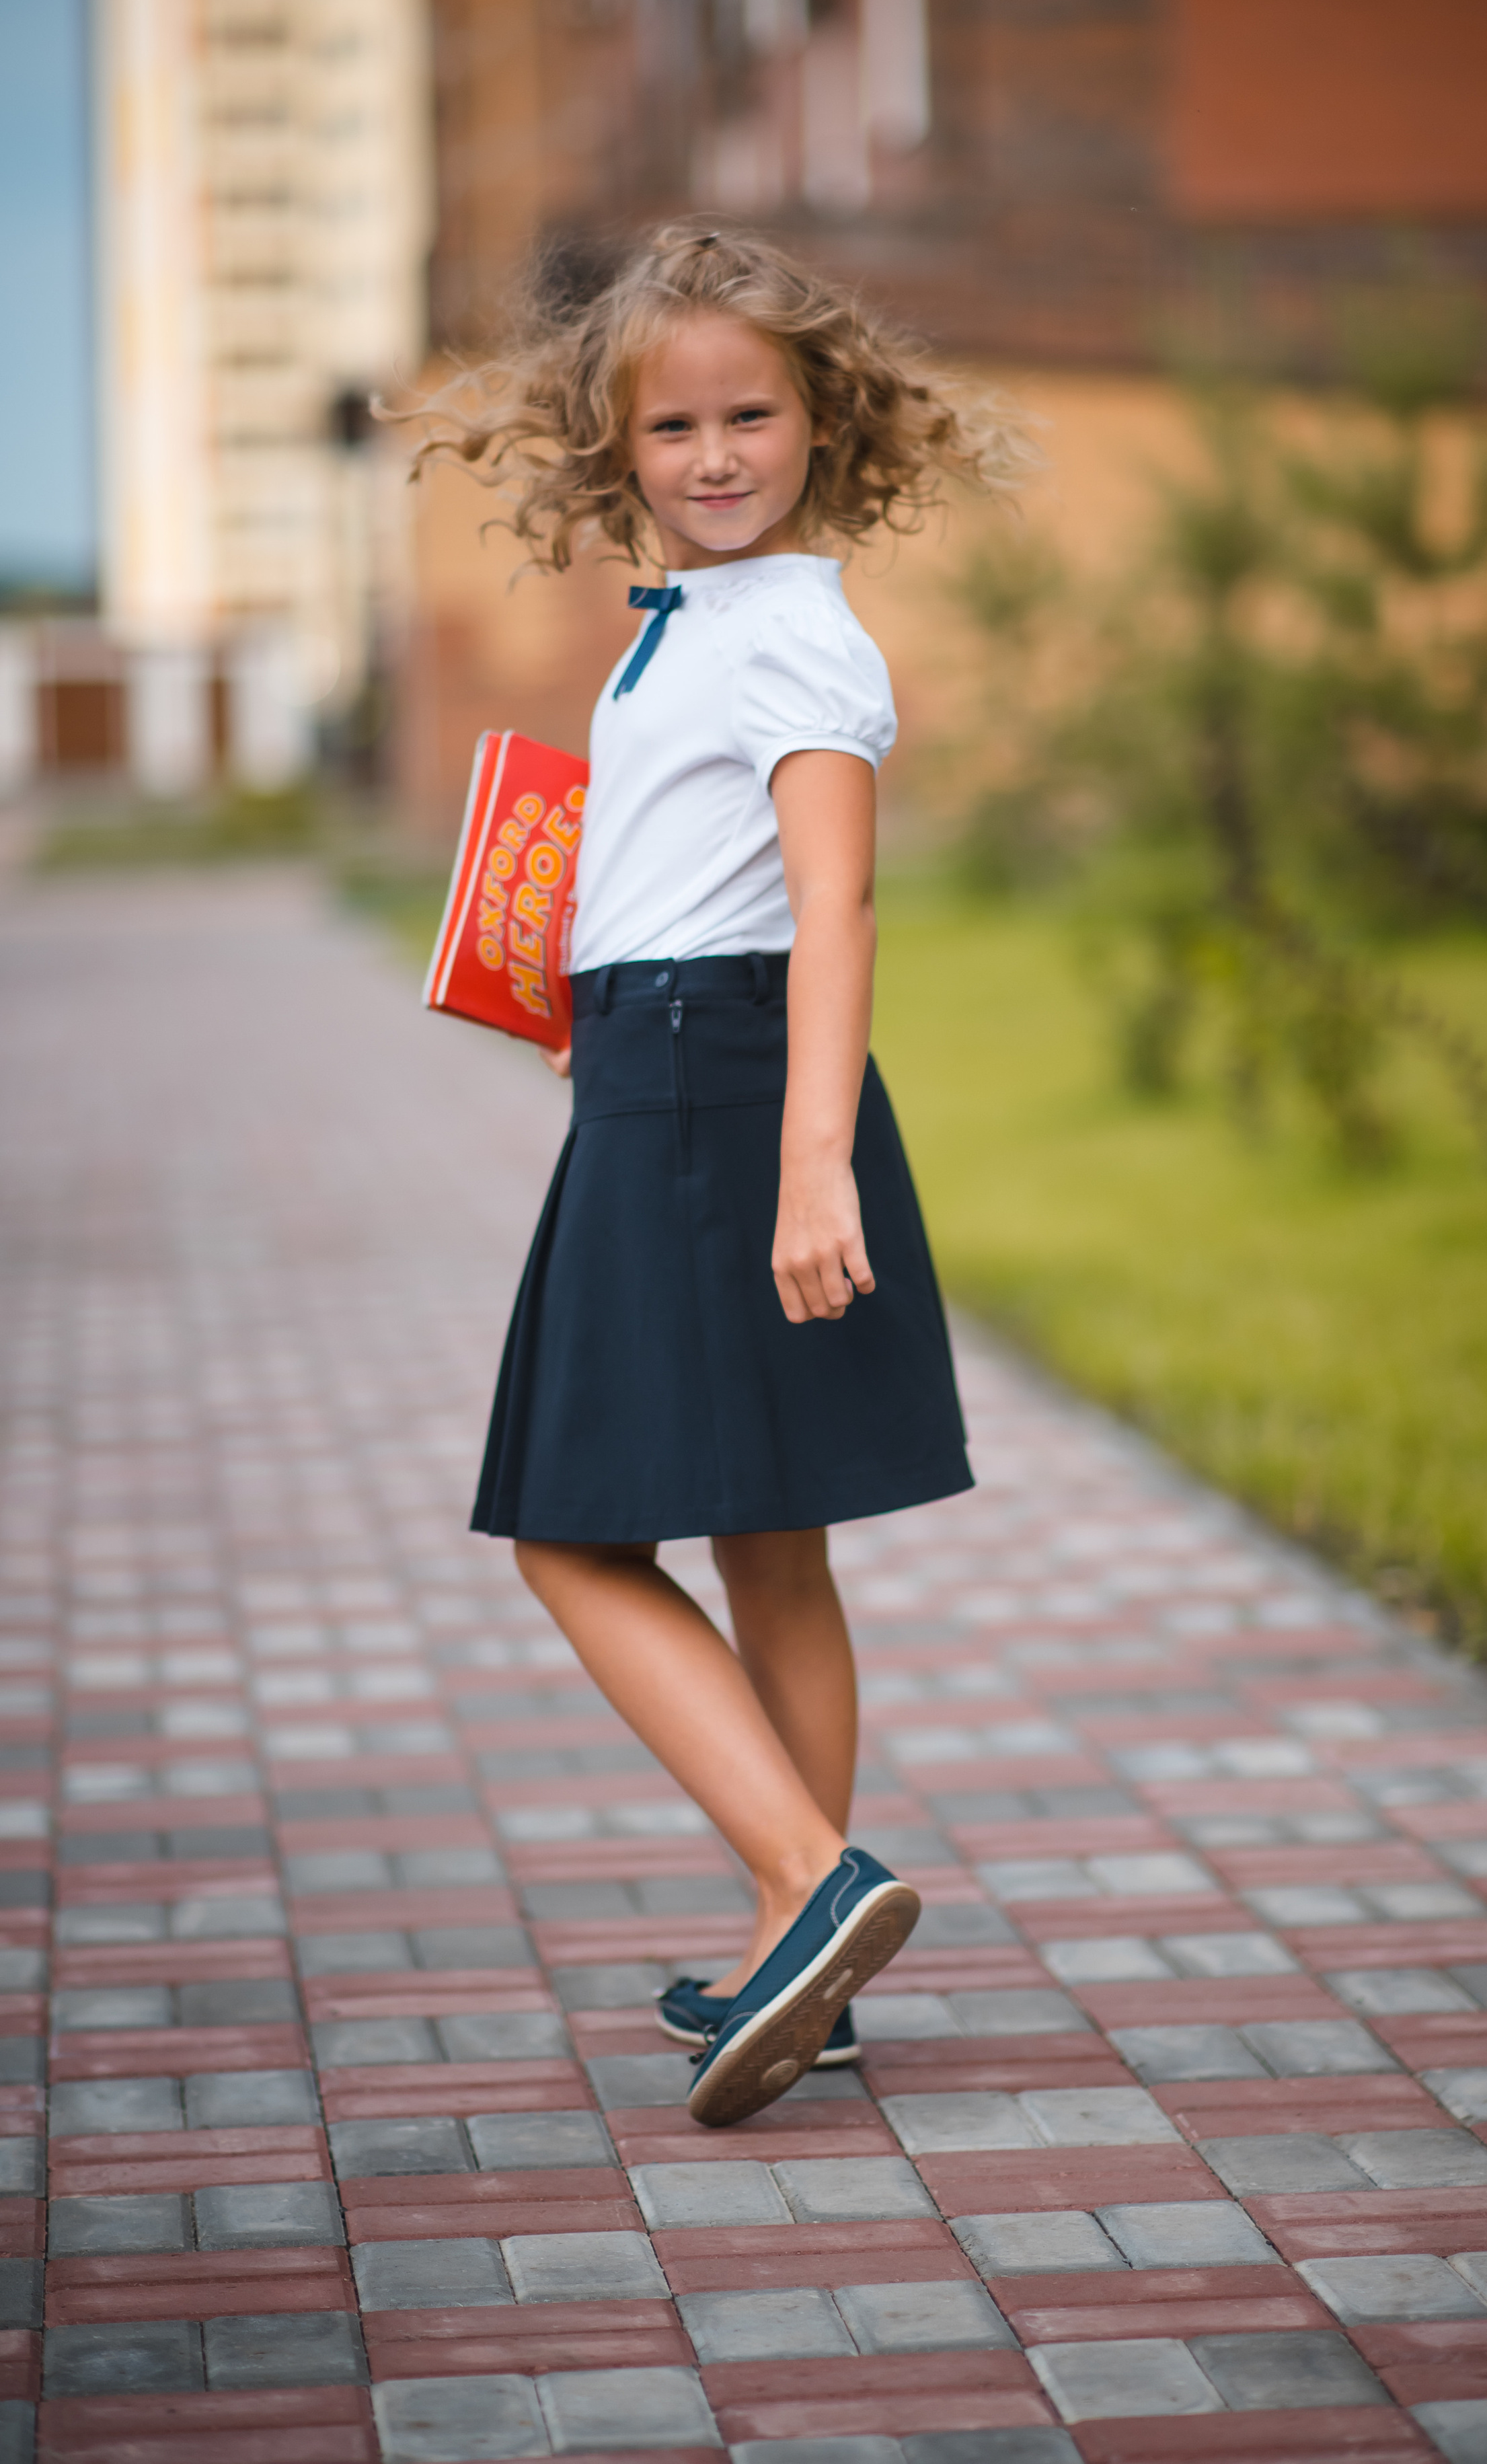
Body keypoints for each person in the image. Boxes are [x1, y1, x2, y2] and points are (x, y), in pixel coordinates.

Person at [410, 223, 1028, 2128]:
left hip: (723, 1094)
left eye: (749, 412)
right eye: (671, 426)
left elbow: (834, 894)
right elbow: (704, 879)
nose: (714, 453)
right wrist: (570, 986)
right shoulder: (692, 629)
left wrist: (808, 1164)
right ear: (619, 452)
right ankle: (808, 1965)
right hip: (672, 1062)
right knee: (770, 1534)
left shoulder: (793, 636)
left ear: (820, 416)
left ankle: (806, 1875)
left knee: (572, 1530)